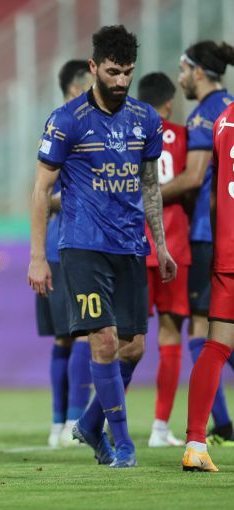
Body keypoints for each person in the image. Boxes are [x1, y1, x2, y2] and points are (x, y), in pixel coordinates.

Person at [28, 25, 176, 469]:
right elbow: (41, 190)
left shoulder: (145, 119)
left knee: (134, 347)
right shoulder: (66, 120)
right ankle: (122, 444)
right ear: (94, 67)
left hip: (130, 245)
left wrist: (161, 245)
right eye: (113, 72)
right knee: (105, 342)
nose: (121, 80)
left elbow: (149, 185)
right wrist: (38, 257)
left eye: (128, 72)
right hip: (83, 245)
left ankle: (91, 423)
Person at [161, 41, 234, 446]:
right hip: (219, 235)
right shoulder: (226, 107)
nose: (180, 79)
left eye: (183, 70)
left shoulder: (211, 117)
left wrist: (145, 196)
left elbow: (194, 178)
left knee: (206, 331)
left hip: (212, 235)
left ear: (199, 72)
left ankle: (216, 427)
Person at [39, 60, 94, 449]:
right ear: (77, 87)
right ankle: (72, 421)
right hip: (67, 247)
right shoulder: (67, 125)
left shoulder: (57, 125)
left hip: (59, 246)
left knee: (65, 338)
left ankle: (59, 424)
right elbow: (43, 193)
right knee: (82, 335)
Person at [136, 72, 191, 448]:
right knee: (170, 337)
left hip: (135, 247)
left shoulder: (129, 134)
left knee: (125, 338)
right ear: (169, 102)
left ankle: (108, 424)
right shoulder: (182, 137)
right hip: (175, 248)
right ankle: (159, 428)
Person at [183, 96, 234, 472]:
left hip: (227, 251)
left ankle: (196, 445)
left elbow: (215, 199)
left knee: (215, 345)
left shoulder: (222, 122)